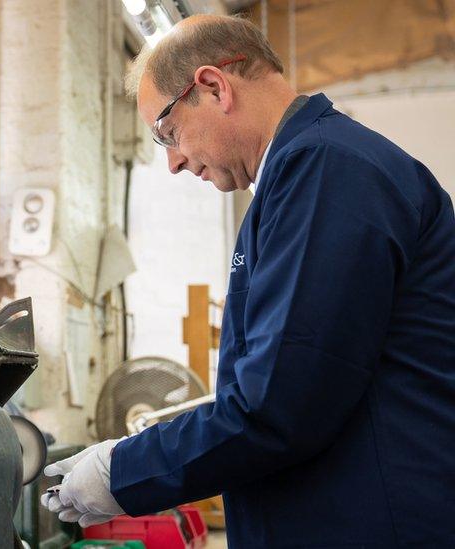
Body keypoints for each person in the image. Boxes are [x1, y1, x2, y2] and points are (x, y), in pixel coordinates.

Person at [41, 14, 455, 548]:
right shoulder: (297, 179)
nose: (173, 162)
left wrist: (124, 470)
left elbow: (278, 405)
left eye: (168, 132)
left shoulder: (326, 172)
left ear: (213, 86)